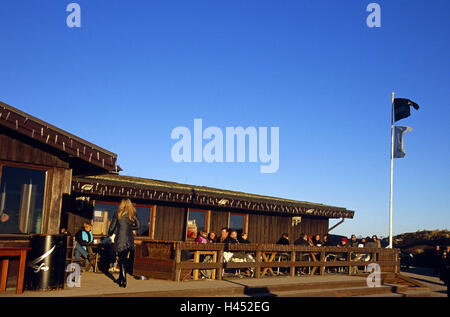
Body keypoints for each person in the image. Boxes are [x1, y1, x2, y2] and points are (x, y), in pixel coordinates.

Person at [108, 199, 141, 288]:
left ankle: (124, 280)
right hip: (129, 239)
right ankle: (120, 278)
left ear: (121, 204)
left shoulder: (117, 213)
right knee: (123, 260)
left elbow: (112, 227)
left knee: (121, 260)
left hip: (120, 239)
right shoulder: (132, 213)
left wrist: (109, 234)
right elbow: (138, 226)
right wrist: (130, 227)